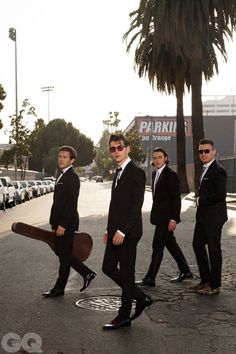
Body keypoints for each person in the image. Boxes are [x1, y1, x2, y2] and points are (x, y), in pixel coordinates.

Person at [102, 134, 152, 330]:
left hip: (128, 233)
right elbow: (116, 206)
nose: (116, 151)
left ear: (128, 148)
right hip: (116, 231)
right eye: (112, 149)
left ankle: (123, 316)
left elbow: (135, 206)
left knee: (128, 274)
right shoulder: (119, 171)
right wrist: (110, 229)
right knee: (108, 267)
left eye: (119, 147)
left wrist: (122, 230)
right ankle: (141, 297)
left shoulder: (136, 172)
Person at [43, 145, 96, 298]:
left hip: (66, 224)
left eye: (65, 157)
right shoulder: (62, 175)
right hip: (60, 223)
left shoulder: (72, 177)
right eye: (60, 156)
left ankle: (61, 287)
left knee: (64, 255)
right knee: (63, 255)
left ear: (72, 160)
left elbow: (71, 204)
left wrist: (63, 225)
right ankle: (86, 274)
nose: (61, 159)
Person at [136, 147, 192, 287]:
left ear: (166, 158)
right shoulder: (155, 174)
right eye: (154, 158)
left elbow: (176, 198)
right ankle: (185, 270)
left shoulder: (171, 175)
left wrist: (174, 218)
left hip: (166, 219)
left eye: (160, 157)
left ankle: (150, 278)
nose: (156, 160)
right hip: (159, 217)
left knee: (157, 247)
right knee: (171, 244)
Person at [190, 139, 227, 295]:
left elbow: (220, 195)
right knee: (197, 244)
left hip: (214, 217)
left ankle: (214, 285)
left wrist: (200, 200)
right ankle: (205, 280)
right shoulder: (203, 169)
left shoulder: (218, 170)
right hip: (203, 217)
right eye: (201, 151)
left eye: (206, 151)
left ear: (214, 152)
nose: (203, 154)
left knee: (214, 250)